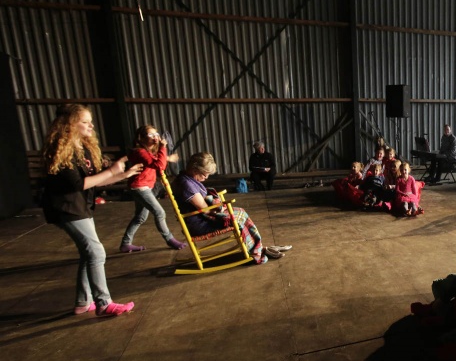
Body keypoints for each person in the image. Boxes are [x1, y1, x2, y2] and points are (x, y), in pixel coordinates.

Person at [41, 104, 143, 317]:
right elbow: (80, 184)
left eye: (90, 121)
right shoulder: (60, 151)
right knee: (96, 252)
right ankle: (104, 303)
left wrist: (122, 175)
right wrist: (113, 170)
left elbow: (98, 181)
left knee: (89, 254)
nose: (91, 125)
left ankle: (83, 302)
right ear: (69, 125)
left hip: (81, 207)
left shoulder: (84, 149)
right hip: (66, 208)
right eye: (85, 122)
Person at [171, 152, 287, 263]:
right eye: (205, 173)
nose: (206, 177)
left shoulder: (188, 178)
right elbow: (205, 208)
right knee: (237, 217)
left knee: (241, 212)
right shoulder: (186, 185)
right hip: (200, 223)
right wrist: (219, 206)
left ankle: (258, 247)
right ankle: (257, 251)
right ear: (195, 169)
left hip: (203, 217)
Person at [119, 124, 187, 253]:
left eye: (156, 134)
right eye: (151, 135)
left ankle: (125, 243)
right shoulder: (139, 151)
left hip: (145, 187)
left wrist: (167, 157)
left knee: (140, 218)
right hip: (139, 187)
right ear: (141, 138)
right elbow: (158, 164)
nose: (155, 137)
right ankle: (170, 239)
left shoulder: (147, 152)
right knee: (159, 212)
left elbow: (155, 159)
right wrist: (163, 147)